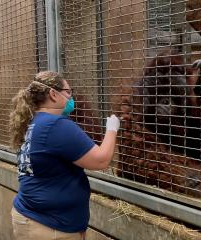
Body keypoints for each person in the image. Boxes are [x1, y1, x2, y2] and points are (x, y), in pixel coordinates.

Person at [9, 71, 120, 240]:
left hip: (34, 217)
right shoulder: (55, 125)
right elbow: (101, 160)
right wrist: (112, 128)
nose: (71, 97)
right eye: (68, 92)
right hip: (48, 225)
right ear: (53, 94)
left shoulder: (33, 121)